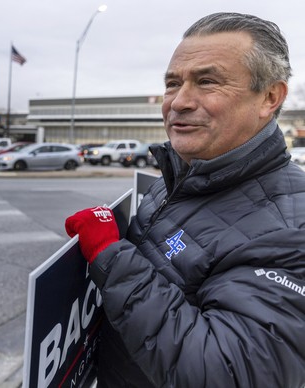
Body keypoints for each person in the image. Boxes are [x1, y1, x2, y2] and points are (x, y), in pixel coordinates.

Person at [65, 12, 305, 387]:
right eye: (173, 83)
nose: (179, 102)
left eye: (207, 81)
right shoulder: (180, 174)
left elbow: (229, 372)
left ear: (269, 97)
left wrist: (111, 257)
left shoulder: (292, 227)